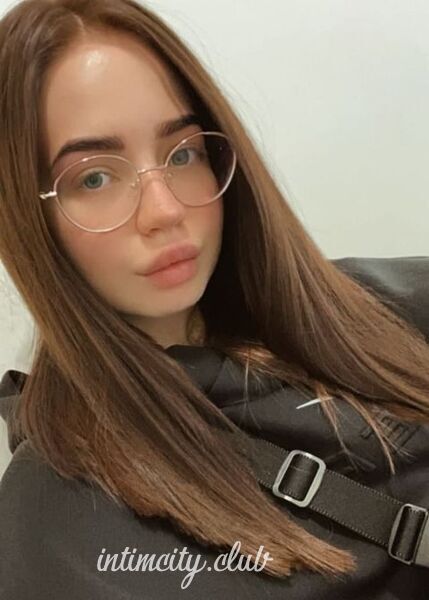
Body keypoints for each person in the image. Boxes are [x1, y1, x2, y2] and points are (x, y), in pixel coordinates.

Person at [0, 0, 428, 598]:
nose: (165, 210)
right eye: (94, 177)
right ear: (27, 217)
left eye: (182, 154)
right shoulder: (53, 534)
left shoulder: (379, 309)